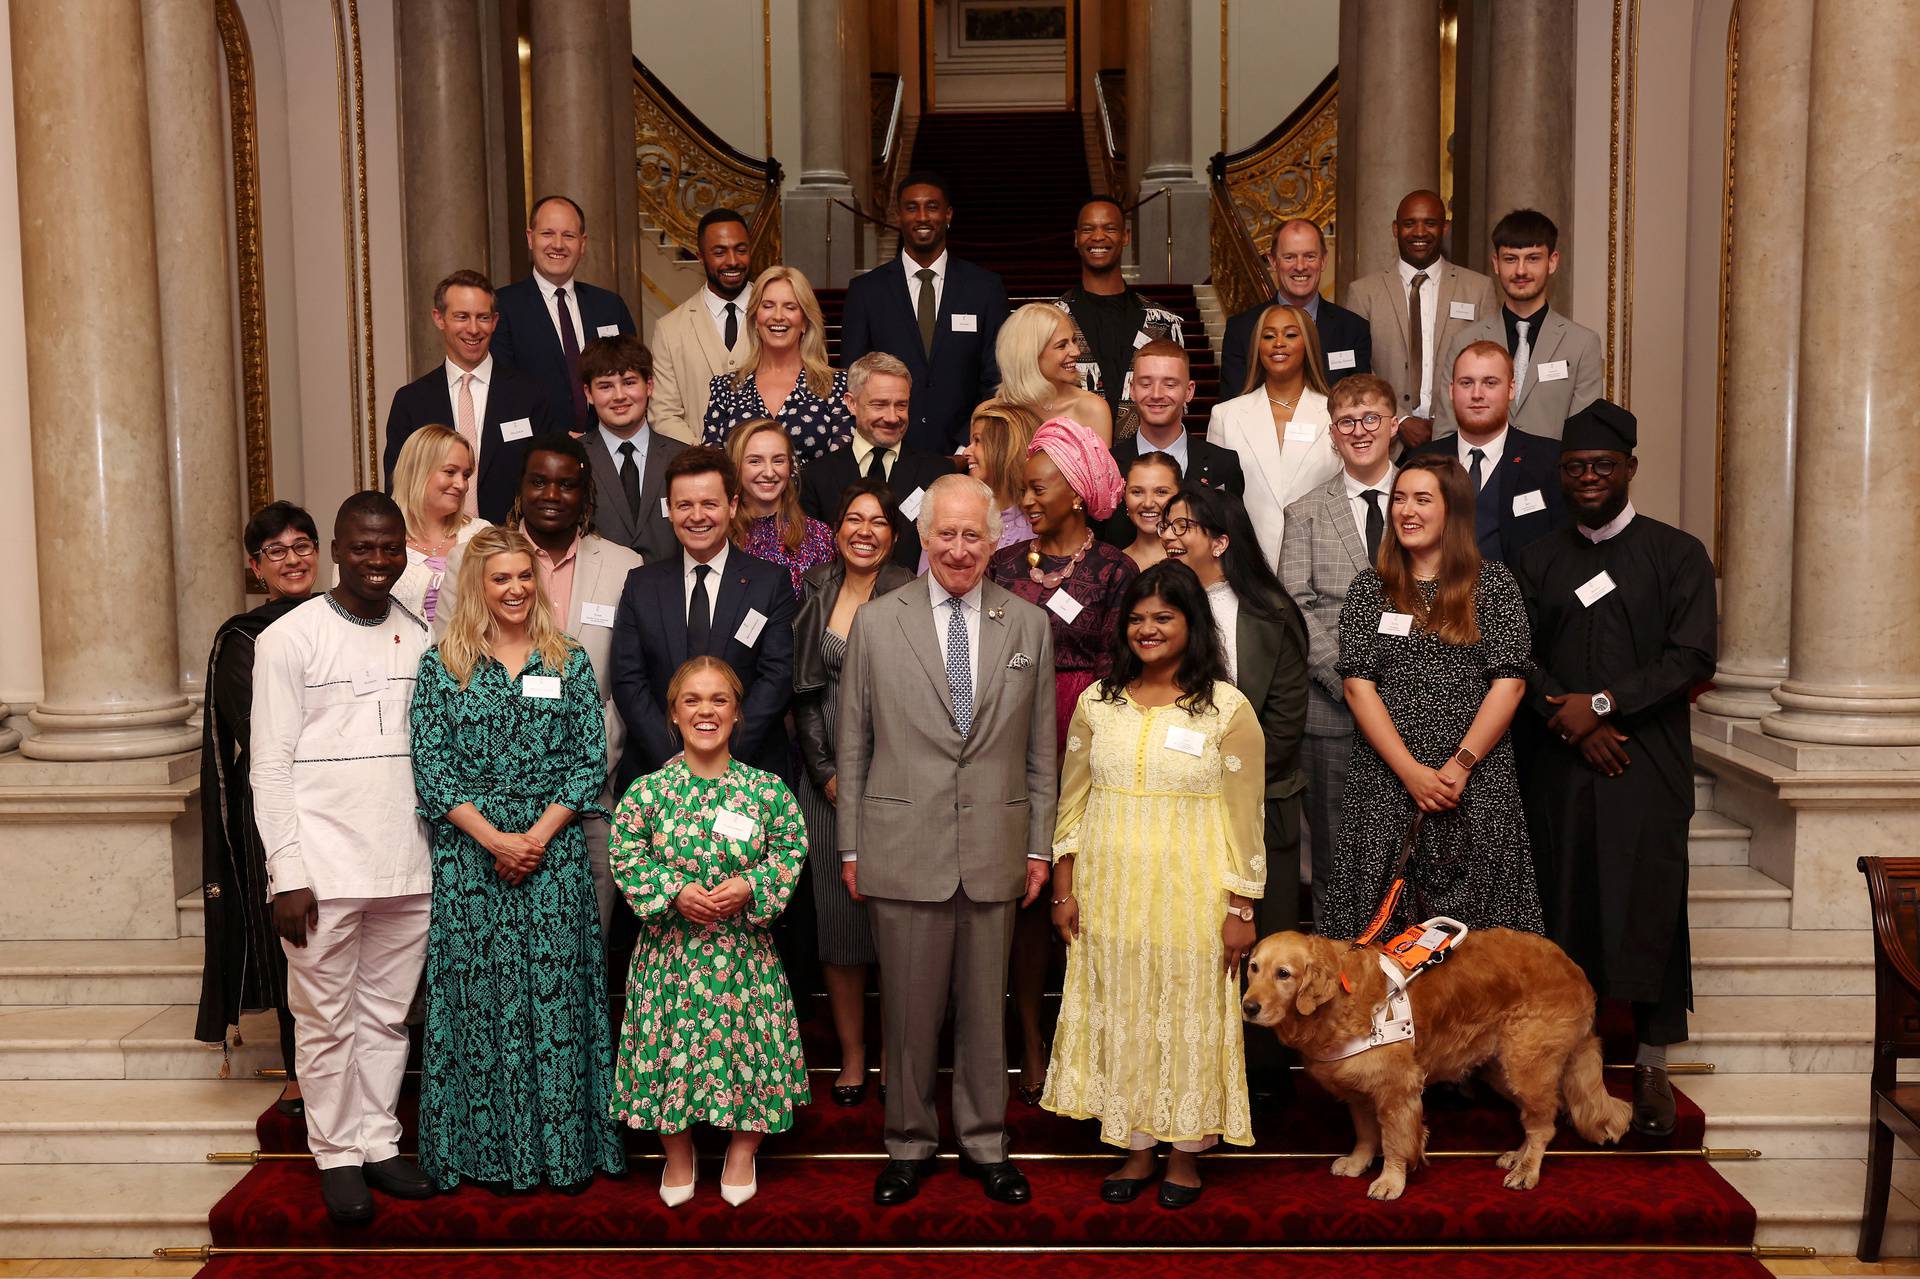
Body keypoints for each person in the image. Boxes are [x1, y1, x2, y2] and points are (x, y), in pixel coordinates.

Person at [839, 473, 1058, 1208]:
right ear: (923, 538)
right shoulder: (877, 620)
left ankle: (986, 1142)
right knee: (906, 1012)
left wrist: (1038, 847)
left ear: (996, 543)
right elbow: (853, 746)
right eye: (946, 534)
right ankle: (906, 1142)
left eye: (974, 535)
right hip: (900, 846)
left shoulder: (1027, 625)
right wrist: (849, 846)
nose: (959, 548)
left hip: (995, 845)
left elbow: (1039, 752)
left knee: (984, 1011)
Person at [1512, 399, 1716, 1138]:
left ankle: (1654, 1066)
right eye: (1576, 468)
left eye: (1602, 465)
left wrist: (1600, 706)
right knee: (1567, 911)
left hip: (1646, 765)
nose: (1589, 478)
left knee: (1650, 908)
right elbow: (1517, 656)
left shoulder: (1678, 553)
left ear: (1630, 468)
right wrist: (1568, 722)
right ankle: (1569, 1063)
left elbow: (1691, 654)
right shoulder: (1540, 558)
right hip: (1560, 769)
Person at [409, 525, 626, 1193]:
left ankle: (564, 1152)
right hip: (471, 863)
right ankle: (487, 1153)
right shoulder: (441, 664)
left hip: (554, 857)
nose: (515, 588)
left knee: (556, 1005)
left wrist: (533, 834)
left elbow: (590, 759)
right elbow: (432, 769)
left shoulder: (568, 660)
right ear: (478, 585)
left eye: (524, 576)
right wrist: (495, 839)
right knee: (481, 1003)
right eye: (501, 577)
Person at [1045, 560, 1267, 1208]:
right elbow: (1072, 802)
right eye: (1137, 618)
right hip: (1110, 887)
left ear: (1191, 623)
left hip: (1192, 891)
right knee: (1124, 1010)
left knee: (1186, 1010)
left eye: (1163, 617)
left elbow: (1245, 815)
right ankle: (1137, 1146)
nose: (1148, 628)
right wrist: (1064, 888)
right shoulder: (1097, 701)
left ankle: (1185, 1155)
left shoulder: (1227, 708)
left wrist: (1241, 905)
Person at [249, 493, 437, 1225]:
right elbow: (269, 765)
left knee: (387, 1018)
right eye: (364, 547)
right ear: (336, 547)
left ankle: (379, 1140)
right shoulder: (290, 639)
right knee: (325, 1018)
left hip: (406, 864)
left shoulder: (420, 635)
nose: (379, 560)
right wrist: (286, 873)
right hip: (321, 872)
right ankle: (335, 1153)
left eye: (390, 548)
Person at [610, 656, 812, 1208]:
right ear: (673, 713)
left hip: (743, 957)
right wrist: (672, 890)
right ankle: (678, 1155)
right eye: (692, 700)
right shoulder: (646, 794)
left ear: (738, 712)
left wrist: (751, 885)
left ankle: (743, 1149)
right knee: (667, 1052)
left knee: (747, 1049)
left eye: (719, 700)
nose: (706, 711)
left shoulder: (767, 792)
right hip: (669, 958)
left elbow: (791, 850)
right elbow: (625, 854)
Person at [1317, 456, 1543, 942]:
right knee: (1376, 944)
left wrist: (1458, 766)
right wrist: (1411, 773)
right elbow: (1358, 686)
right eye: (1399, 498)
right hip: (1386, 787)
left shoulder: (1495, 586)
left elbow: (1511, 683)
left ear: (1453, 512)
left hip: (1475, 786)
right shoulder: (1369, 590)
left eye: (1422, 499)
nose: (1406, 511)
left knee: (1483, 954)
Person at [439, 433, 645, 930]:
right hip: (487, 811)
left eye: (566, 485)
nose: (552, 495)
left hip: (591, 795)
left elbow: (627, 684)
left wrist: (593, 766)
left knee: (577, 949)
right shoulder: (469, 559)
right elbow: (450, 668)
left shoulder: (624, 566)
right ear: (519, 490)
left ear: (585, 495)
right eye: (539, 482)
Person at [988, 418, 1137, 1103]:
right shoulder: (1004, 565)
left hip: (1092, 746)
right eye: (1023, 487)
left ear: (1077, 493)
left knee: (1087, 900)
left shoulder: (1116, 570)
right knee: (1023, 902)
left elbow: (1128, 669)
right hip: (1012, 743)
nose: (1026, 498)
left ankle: (1093, 1039)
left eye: (1039, 486)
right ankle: (1030, 1041)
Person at [1159, 483, 1310, 1109]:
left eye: (1183, 526)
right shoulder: (1157, 609)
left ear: (1220, 541)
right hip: (1170, 815)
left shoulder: (1273, 614)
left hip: (1259, 807)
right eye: (1167, 524)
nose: (1168, 534)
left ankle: (1258, 1089)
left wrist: (1218, 781)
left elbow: (1283, 725)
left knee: (1256, 953)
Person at [195, 501, 320, 1118]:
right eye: (278, 551)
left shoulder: (341, 616)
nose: (293, 559)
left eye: (303, 546)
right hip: (272, 803)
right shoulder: (243, 636)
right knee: (291, 937)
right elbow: (261, 725)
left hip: (343, 798)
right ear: (256, 566)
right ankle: (298, 1074)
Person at [793, 481, 916, 1106]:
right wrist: (825, 773)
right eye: (851, 518)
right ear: (836, 529)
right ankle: (853, 1054)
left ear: (894, 535)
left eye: (877, 521)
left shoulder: (913, 592)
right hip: (827, 783)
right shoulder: (816, 586)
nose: (863, 530)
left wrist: (875, 777)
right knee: (838, 925)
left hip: (898, 782)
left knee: (895, 922)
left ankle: (898, 1049)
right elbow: (806, 691)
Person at [1278, 374, 1400, 921]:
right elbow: (1294, 608)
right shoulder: (1304, 511)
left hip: (1416, 707)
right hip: (1332, 714)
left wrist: (1406, 680)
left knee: (1410, 857)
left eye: (1371, 418)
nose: (1360, 431)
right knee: (1334, 860)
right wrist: (1352, 678)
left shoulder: (1425, 499)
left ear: (1394, 425)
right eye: (1347, 422)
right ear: (1332, 433)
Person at [607, 446, 797, 800]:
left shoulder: (770, 583)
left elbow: (777, 678)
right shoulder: (641, 585)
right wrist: (678, 762)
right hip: (656, 775)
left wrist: (719, 757)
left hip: (749, 773)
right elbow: (628, 680)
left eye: (709, 503)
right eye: (684, 505)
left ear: (733, 505)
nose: (697, 516)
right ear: (670, 510)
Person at [840, 172, 1010, 453]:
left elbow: (997, 377)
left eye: (932, 207)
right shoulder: (866, 291)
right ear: (898, 216)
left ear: (948, 215)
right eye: (911, 207)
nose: (922, 216)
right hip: (887, 449)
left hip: (965, 452)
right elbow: (856, 375)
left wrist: (968, 440)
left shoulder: (985, 288)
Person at [384, 269, 559, 523]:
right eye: (462, 317)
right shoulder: (411, 401)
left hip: (511, 545)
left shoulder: (530, 396)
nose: (474, 329)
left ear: (495, 321)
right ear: (439, 318)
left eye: (483, 317)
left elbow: (546, 478)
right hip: (435, 548)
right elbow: (398, 487)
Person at [1343, 190, 1499, 449]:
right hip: (1386, 440)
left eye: (1430, 223)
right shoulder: (1363, 293)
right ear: (1395, 229)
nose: (1419, 232)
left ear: (1445, 228)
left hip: (1459, 436)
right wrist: (1400, 418)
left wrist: (1444, 420)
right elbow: (1359, 372)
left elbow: (1491, 365)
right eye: (1409, 223)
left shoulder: (1478, 289)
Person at [1434, 209, 1602, 441]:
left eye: (1533, 258)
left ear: (1552, 262)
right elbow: (1446, 433)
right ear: (1496, 263)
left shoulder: (1582, 344)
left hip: (1551, 476)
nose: (1520, 271)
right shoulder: (1466, 341)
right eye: (1510, 259)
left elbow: (1584, 438)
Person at [1206, 304, 1341, 565]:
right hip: (1247, 567)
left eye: (1290, 335)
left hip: (1321, 562)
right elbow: (1216, 504)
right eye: (1268, 336)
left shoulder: (1333, 414)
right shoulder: (1226, 416)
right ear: (1258, 346)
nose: (1278, 343)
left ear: (1308, 344)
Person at [491, 194, 638, 431]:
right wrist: (555, 439)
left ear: (582, 244)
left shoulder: (610, 306)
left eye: (568, 235)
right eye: (547, 233)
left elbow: (633, 379)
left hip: (608, 448)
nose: (558, 244)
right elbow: (502, 391)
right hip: (538, 453)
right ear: (530, 238)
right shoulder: (502, 307)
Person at [798, 351, 955, 571]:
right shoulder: (815, 477)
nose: (892, 417)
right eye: (879, 405)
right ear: (851, 403)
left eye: (901, 405)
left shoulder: (938, 474)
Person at [1413, 341, 1569, 562]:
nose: (1477, 394)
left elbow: (1563, 549)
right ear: (1451, 390)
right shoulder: (1423, 462)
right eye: (1466, 383)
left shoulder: (1549, 460)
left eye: (1490, 383)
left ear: (1511, 389)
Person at [1054, 196, 1185, 439]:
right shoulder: (1052, 319)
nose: (1098, 237)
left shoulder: (1163, 322)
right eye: (1088, 229)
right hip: (1072, 462)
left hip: (1145, 465)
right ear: (1076, 238)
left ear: (1125, 237)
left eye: (1109, 228)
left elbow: (1176, 400)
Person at [1098, 340, 1244, 551]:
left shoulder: (1223, 464)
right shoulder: (1106, 464)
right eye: (1146, 384)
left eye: (1170, 384)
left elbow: (1236, 547)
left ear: (1189, 391)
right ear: (1132, 390)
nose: (1156, 394)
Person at [702, 264, 852, 465]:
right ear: (755, 318)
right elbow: (713, 469)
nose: (778, 316)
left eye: (790, 307)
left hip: (814, 497)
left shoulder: (837, 387)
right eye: (768, 305)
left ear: (805, 322)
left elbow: (839, 469)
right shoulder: (725, 389)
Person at [1219, 218, 1374, 398]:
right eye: (1289, 257)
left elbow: (1360, 403)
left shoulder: (1354, 329)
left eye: (1310, 256)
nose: (1300, 267)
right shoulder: (1241, 329)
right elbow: (1233, 406)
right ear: (1273, 261)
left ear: (1323, 260)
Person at [577, 334, 685, 566]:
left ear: (649, 385)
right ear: (588, 394)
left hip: (671, 595)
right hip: (598, 595)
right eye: (605, 386)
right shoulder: (573, 460)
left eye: (629, 382)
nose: (619, 396)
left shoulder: (682, 458)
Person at [649, 208, 752, 444]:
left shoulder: (779, 315)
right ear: (700, 256)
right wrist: (705, 457)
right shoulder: (669, 329)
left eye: (741, 250)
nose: (733, 261)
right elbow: (664, 415)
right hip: (700, 468)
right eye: (719, 252)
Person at [389, 425, 490, 628]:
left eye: (466, 475)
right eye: (450, 472)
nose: (461, 485)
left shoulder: (480, 534)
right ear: (417, 470)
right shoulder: (377, 540)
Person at [727, 416, 836, 596]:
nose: (769, 472)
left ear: (789, 467)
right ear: (736, 467)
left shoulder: (818, 536)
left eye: (778, 460)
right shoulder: (720, 535)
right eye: (755, 461)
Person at [996, 302, 1114, 443]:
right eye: (1062, 345)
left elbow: (1100, 465)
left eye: (1074, 340)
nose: (1076, 351)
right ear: (1031, 354)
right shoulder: (993, 413)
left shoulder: (1093, 409)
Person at [952, 397, 1040, 558]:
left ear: (1004, 448)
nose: (966, 452)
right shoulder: (954, 514)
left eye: (977, 441)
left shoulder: (1039, 523)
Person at [1117, 451, 1181, 570]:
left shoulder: (1195, 562)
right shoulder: (1111, 568)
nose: (1148, 503)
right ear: (1125, 496)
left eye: (1161, 492)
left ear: (1180, 496)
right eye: (1137, 492)